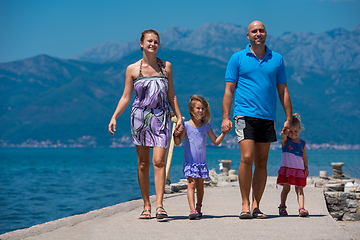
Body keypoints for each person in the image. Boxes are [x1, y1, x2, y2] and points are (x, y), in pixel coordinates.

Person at [108, 29, 183, 220]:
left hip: (162, 117)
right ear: (141, 43)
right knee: (143, 164)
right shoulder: (132, 69)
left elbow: (171, 94)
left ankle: (160, 205)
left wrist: (179, 116)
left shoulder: (167, 67)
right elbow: (126, 97)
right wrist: (114, 116)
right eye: (149, 41)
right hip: (140, 118)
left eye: (156, 42)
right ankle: (146, 205)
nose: (153, 44)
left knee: (158, 161)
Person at [221, 20, 293, 219]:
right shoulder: (237, 58)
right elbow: (229, 90)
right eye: (254, 31)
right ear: (248, 35)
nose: (258, 33)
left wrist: (289, 118)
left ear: (266, 34)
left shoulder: (276, 59)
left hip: (267, 117)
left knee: (262, 162)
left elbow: (283, 90)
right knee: (246, 157)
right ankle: (244, 203)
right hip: (244, 115)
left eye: (261, 30)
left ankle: (256, 205)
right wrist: (226, 117)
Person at [174, 95, 226, 220]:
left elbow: (216, 142)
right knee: (191, 184)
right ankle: (192, 209)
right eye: (198, 108)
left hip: (201, 164)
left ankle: (198, 207)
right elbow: (177, 142)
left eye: (203, 108)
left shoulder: (206, 126)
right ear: (192, 109)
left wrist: (224, 133)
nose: (201, 111)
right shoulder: (186, 126)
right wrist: (175, 135)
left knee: (200, 187)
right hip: (190, 163)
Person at [277, 113, 309, 217]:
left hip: (299, 170)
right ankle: (282, 207)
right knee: (286, 189)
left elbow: (304, 157)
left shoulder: (302, 143)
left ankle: (301, 208)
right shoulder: (286, 141)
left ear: (300, 130)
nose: (293, 134)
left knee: (299, 189)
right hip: (287, 169)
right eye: (290, 131)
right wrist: (284, 132)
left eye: (296, 131)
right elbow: (282, 136)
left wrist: (306, 167)